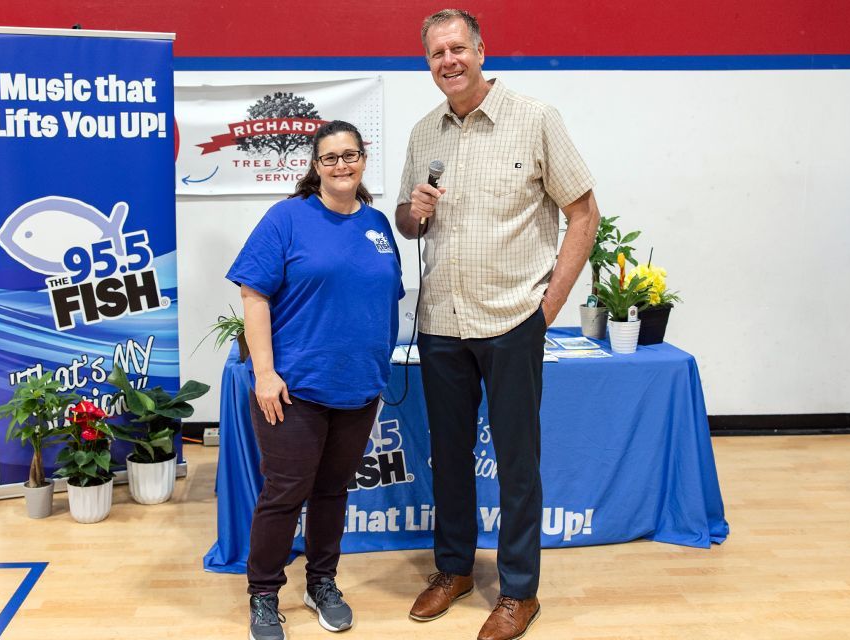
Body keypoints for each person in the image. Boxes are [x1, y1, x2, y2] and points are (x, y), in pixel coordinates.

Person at [395, 9, 600, 640]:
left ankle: (519, 591)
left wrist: (550, 307)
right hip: (440, 322)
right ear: (427, 62)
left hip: (514, 319)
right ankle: (454, 569)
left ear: (482, 50)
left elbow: (584, 213)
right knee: (449, 456)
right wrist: (414, 212)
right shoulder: (423, 133)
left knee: (516, 461)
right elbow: (406, 224)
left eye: (458, 48)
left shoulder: (535, 119)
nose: (448, 61)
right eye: (436, 54)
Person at [227, 120, 403, 640]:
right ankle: (263, 594)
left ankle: (321, 582)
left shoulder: (376, 224)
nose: (342, 165)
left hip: (358, 386)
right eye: (330, 158)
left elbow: (381, 297)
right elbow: (253, 296)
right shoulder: (286, 218)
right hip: (295, 389)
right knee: (285, 493)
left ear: (363, 160)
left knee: (332, 492)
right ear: (315, 166)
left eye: (351, 155)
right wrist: (264, 373)